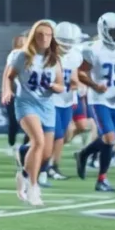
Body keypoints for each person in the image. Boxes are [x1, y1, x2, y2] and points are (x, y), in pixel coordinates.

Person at [75, 12, 115, 192]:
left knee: (109, 139)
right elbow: (80, 73)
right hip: (99, 99)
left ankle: (84, 153)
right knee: (110, 139)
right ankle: (102, 179)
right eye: (111, 31)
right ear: (103, 31)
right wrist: (94, 85)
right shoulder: (93, 49)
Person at [3, 19, 64, 205]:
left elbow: (62, 85)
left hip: (47, 105)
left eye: (48, 35)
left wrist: (55, 86)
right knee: (37, 142)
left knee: (46, 153)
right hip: (26, 103)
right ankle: (33, 187)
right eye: (40, 35)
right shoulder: (22, 56)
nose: (44, 38)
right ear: (33, 37)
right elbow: (9, 76)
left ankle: (22, 174)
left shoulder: (54, 59)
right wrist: (7, 90)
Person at [49, 22, 83, 181]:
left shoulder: (75, 56)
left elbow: (74, 78)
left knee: (61, 136)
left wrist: (77, 85)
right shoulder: (47, 55)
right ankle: (46, 166)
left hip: (66, 101)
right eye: (65, 41)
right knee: (54, 135)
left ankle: (53, 165)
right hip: (50, 100)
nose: (67, 45)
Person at [4, 34, 26, 155]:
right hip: (16, 93)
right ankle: (12, 144)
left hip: (25, 93)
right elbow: (8, 75)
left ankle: (19, 146)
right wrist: (7, 90)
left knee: (20, 122)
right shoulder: (15, 54)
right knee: (14, 122)